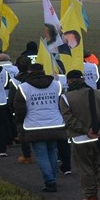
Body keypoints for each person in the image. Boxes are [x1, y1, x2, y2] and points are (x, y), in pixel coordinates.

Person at [59, 69, 100, 200]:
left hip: (80, 139)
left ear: (69, 81)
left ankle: (91, 197)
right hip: (99, 137)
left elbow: (69, 119)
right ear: (83, 80)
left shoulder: (66, 97)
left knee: (85, 168)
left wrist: (85, 130)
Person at [13, 63, 66, 193]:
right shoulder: (56, 84)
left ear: (29, 73)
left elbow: (19, 109)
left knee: (42, 154)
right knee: (53, 151)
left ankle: (50, 181)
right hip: (55, 123)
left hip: (34, 125)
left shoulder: (23, 87)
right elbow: (62, 104)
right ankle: (53, 177)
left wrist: (20, 122)